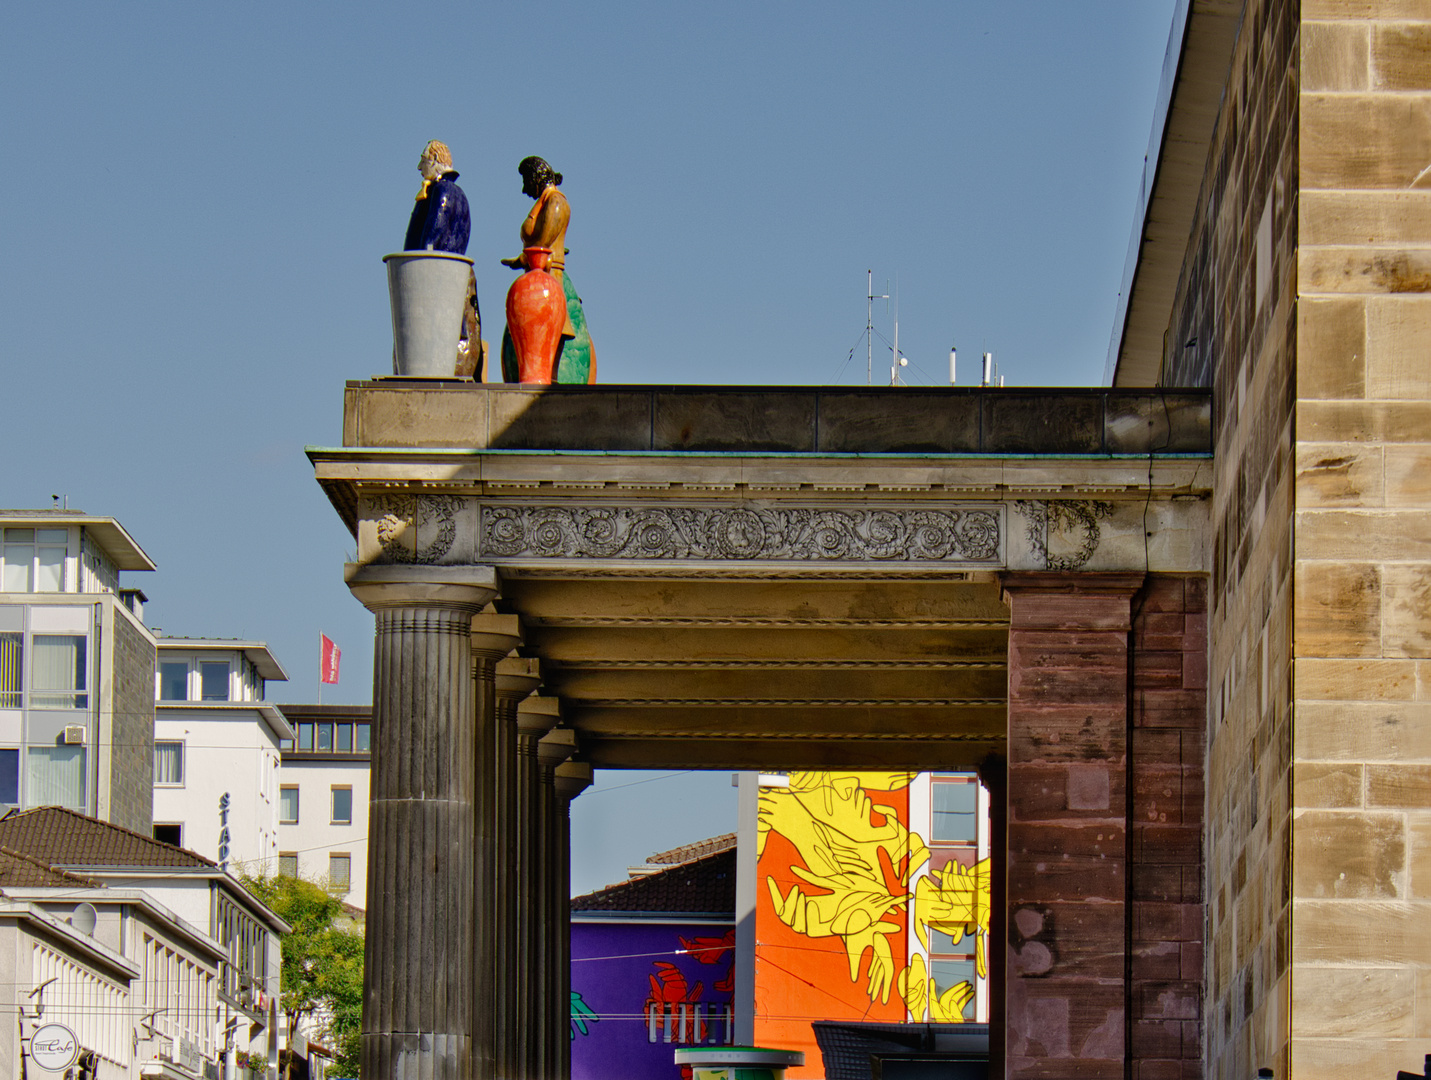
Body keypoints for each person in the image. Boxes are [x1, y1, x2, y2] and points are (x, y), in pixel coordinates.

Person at [501, 156, 595, 383]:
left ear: (536, 178)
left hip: (551, 278)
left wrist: (523, 259)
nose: (524, 190)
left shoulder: (556, 203)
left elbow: (542, 244)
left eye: (525, 181)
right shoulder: (546, 201)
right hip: (535, 276)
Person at [404, 141, 484, 376]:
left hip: (438, 273)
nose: (419, 167)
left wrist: (425, 260)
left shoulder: (442, 191)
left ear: (434, 161)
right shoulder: (454, 193)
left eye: (423, 160)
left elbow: (434, 230)